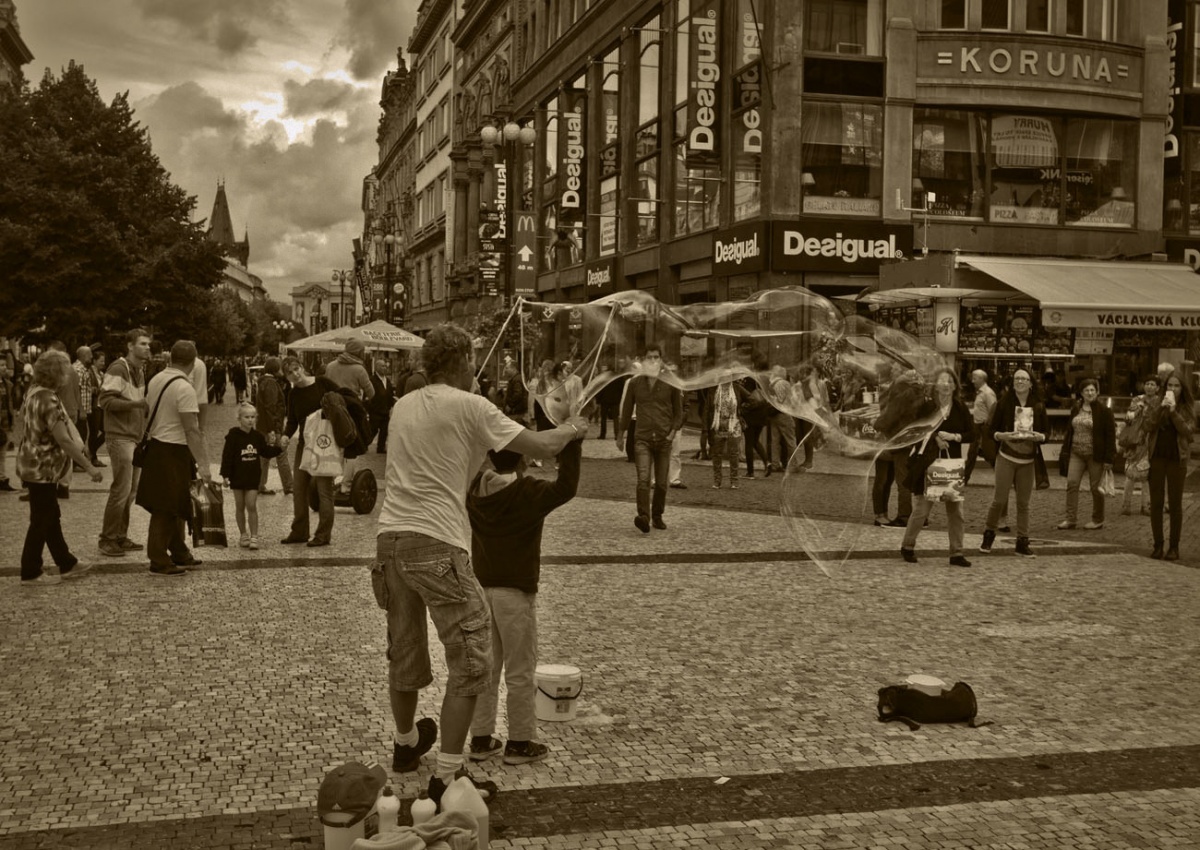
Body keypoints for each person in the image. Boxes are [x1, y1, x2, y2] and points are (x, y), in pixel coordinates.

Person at [372, 323, 586, 806]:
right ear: (465, 362)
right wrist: (574, 427)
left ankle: (406, 745)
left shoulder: (404, 404)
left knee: (404, 652)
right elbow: (543, 446)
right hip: (436, 542)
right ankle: (449, 775)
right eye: (473, 359)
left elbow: (459, 458)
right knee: (473, 661)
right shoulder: (471, 405)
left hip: (389, 542)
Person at [465, 435, 584, 766]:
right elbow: (566, 488)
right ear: (522, 461)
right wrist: (572, 443)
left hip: (481, 590)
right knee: (519, 671)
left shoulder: (474, 491)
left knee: (487, 670)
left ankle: (481, 739)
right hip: (515, 593)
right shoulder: (527, 492)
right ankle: (519, 742)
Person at [17, 350, 103, 586]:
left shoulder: (33, 393)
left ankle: (66, 562)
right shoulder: (49, 399)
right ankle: (30, 572)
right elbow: (63, 439)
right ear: (58, 373)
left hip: (33, 464)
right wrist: (89, 467)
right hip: (43, 467)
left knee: (50, 515)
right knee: (41, 519)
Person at [135, 341, 211, 576]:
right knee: (166, 508)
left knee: (175, 505)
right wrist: (204, 464)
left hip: (157, 447)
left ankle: (179, 552)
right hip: (173, 450)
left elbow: (147, 412)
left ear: (171, 358)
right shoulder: (184, 388)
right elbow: (191, 429)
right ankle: (158, 559)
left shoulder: (157, 379)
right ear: (193, 362)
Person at [899, 368, 976, 567]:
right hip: (929, 463)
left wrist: (954, 437)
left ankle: (956, 553)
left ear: (955, 386)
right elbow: (917, 429)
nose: (946, 385)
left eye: (949, 381)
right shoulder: (928, 406)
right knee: (922, 510)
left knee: (956, 512)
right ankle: (907, 546)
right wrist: (935, 438)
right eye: (942, 381)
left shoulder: (960, 408)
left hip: (951, 465)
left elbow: (972, 434)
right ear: (936, 386)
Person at [615, 344, 684, 533]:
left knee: (661, 483)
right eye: (649, 357)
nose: (653, 360)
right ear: (643, 360)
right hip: (642, 438)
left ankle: (657, 516)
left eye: (656, 357)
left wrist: (671, 433)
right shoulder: (635, 383)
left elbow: (678, 413)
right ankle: (644, 516)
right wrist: (621, 434)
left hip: (664, 439)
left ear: (661, 360)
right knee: (643, 479)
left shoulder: (670, 382)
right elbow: (627, 410)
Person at [980, 368, 1046, 558]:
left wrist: (1040, 437)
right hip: (1006, 457)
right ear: (1012, 382)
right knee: (999, 500)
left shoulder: (1038, 405)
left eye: (1024, 379)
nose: (1020, 381)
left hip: (1027, 460)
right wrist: (1002, 435)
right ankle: (989, 534)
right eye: (1017, 378)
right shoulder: (1003, 403)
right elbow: (991, 431)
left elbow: (1046, 433)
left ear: (1031, 383)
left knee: (1023, 504)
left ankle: (1022, 542)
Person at [97, 328, 150, 557]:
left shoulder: (139, 369)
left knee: (130, 491)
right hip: (120, 436)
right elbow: (105, 401)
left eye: (148, 344)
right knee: (121, 490)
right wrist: (136, 405)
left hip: (134, 437)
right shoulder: (118, 368)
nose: (147, 348)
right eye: (143, 344)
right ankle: (107, 538)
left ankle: (120, 535)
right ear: (130, 346)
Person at [277, 357, 339, 547]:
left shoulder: (322, 383)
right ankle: (300, 531)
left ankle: (323, 535)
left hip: (324, 443)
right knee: (299, 488)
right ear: (286, 377)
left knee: (324, 491)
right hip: (304, 444)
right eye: (290, 373)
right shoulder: (293, 394)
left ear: (302, 367)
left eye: (296, 369)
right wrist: (286, 435)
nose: (295, 374)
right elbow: (293, 421)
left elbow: (342, 400)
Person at [1144, 371, 1195, 560]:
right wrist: (1161, 409)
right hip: (1157, 457)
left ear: (1182, 388)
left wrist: (1173, 413)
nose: (1172, 389)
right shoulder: (1157, 403)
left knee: (1175, 504)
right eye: (1170, 385)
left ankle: (1174, 547)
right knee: (1156, 503)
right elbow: (1147, 425)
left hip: (1177, 459)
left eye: (1176, 386)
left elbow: (1188, 432)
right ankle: (1158, 545)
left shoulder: (1187, 407)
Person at [1056, 378, 1117, 530]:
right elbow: (1070, 431)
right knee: (1072, 484)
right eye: (1086, 390)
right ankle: (1070, 519)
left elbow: (1110, 435)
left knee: (1096, 488)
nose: (1090, 393)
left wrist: (1109, 459)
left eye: (1092, 390)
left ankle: (1097, 519)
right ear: (1081, 393)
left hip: (1095, 455)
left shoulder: (1104, 411)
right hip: (1076, 452)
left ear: (1097, 392)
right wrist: (1065, 449)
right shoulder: (1076, 408)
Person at [221, 402, 283, 550]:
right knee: (239, 506)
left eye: (253, 417)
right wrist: (225, 475)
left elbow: (265, 451)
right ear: (239, 418)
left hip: (253, 476)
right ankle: (243, 534)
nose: (250, 420)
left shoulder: (257, 436)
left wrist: (279, 448)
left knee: (251, 505)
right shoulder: (233, 435)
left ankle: (254, 536)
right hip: (237, 476)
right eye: (247, 417)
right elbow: (227, 456)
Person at [324, 340, 376, 496]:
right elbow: (371, 393)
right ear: (359, 352)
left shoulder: (330, 366)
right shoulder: (359, 369)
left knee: (333, 446)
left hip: (332, 411)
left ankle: (331, 481)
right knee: (352, 448)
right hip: (352, 412)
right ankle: (346, 485)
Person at [1120, 375, 1157, 516]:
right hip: (1136, 442)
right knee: (1130, 473)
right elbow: (1128, 418)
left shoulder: (1159, 401)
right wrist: (1135, 411)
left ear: (1157, 388)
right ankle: (1126, 505)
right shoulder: (1137, 400)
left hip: (1152, 442)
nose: (1149, 387)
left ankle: (1146, 505)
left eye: (1153, 384)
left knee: (1148, 475)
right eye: (1147, 383)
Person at [255, 357, 293, 496]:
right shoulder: (271, 383)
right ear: (275, 370)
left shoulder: (264, 382)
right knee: (281, 454)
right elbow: (271, 407)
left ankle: (259, 484)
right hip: (271, 427)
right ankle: (289, 485)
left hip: (263, 426)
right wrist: (274, 429)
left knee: (264, 457)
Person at [963, 369, 997, 484]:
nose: (973, 381)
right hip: (977, 427)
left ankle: (1004, 477)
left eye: (975, 378)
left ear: (982, 379)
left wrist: (987, 426)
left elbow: (993, 410)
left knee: (990, 455)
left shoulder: (988, 393)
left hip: (983, 428)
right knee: (972, 454)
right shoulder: (980, 392)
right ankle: (964, 479)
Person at [709, 378, 741, 489]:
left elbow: (752, 399)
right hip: (718, 425)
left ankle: (734, 480)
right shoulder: (714, 389)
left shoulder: (736, 388)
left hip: (733, 425)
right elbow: (708, 408)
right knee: (717, 454)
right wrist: (706, 427)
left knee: (734, 454)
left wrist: (741, 413)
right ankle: (717, 480)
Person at [368, 357, 395, 453]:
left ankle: (381, 447)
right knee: (373, 430)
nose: (385, 368)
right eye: (382, 366)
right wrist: (370, 407)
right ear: (377, 367)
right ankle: (364, 444)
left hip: (385, 409)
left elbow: (390, 393)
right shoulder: (372, 380)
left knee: (384, 430)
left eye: (385, 366)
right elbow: (369, 395)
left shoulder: (387, 380)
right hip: (375, 410)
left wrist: (391, 404)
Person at [87, 351, 107, 466]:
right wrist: (98, 390)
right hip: (94, 406)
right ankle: (93, 457)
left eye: (104, 361)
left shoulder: (101, 374)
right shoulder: (89, 373)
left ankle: (90, 452)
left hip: (100, 406)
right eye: (101, 361)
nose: (103, 363)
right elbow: (88, 388)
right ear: (94, 361)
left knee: (106, 430)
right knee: (94, 432)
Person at [0, 360, 16, 492]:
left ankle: (2, 479)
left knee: (2, 452)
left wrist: (13, 420)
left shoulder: (8, 384)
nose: (4, 367)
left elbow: (10, 403)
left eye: (5, 365)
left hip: (5, 423)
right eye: (1, 365)